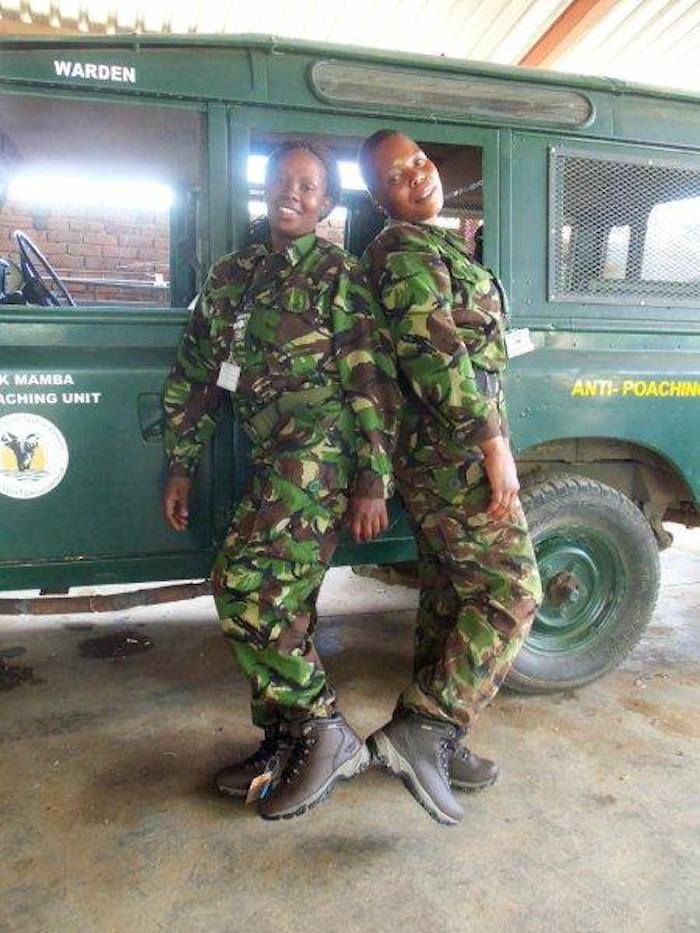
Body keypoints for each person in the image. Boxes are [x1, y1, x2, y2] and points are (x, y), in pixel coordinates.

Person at [162, 139, 399, 821]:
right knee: (287, 604)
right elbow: (198, 375)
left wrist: (371, 481)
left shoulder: (337, 273)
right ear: (264, 190)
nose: (291, 193)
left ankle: (324, 729)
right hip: (268, 459)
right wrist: (182, 462)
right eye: (281, 181)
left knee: (242, 586)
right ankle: (284, 743)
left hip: (319, 457)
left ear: (326, 203)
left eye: (308, 186)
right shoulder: (233, 274)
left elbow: (368, 382)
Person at [359, 130, 542, 826]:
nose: (415, 175)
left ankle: (443, 739)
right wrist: (492, 445)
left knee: (450, 595)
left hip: (450, 448)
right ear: (380, 198)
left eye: (418, 161)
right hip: (452, 452)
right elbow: (440, 363)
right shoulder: (401, 253)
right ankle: (425, 726)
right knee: (512, 592)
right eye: (395, 175)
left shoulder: (434, 243)